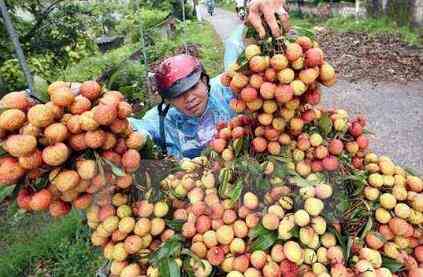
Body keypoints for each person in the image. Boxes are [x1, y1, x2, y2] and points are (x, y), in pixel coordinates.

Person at [130, 0, 289, 159]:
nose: (189, 98)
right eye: (177, 95)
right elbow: (137, 128)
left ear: (205, 81)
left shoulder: (227, 89)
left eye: (193, 87)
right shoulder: (162, 120)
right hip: (195, 180)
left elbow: (244, 52)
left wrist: (255, 19)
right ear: (168, 101)